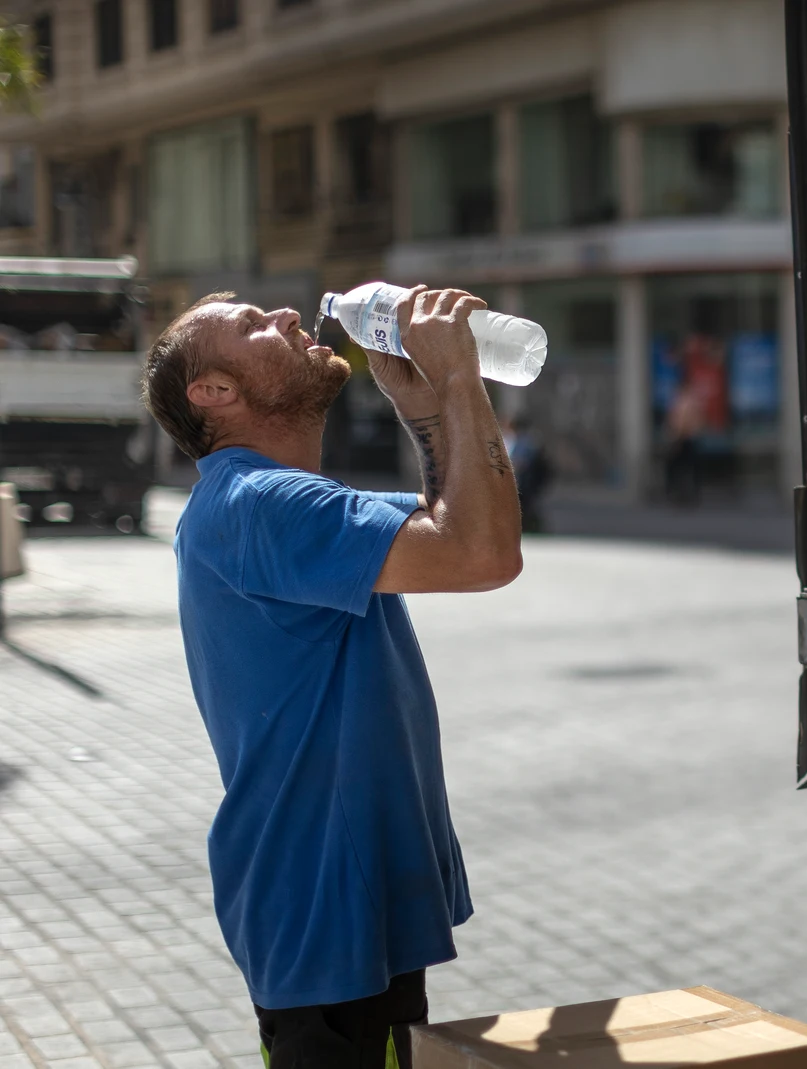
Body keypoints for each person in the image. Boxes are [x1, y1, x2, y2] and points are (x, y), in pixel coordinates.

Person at [139, 287, 522, 1069]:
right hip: (321, 907)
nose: (284, 315)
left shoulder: (277, 503)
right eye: (253, 326)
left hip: (331, 903)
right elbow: (484, 552)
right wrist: (457, 382)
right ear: (215, 393)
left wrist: (421, 410)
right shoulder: (259, 503)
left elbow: (453, 520)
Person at [503, 414, 551, 533]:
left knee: (524, 508)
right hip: (510, 482)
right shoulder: (506, 440)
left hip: (523, 482)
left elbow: (528, 462)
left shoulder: (528, 443)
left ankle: (529, 527)